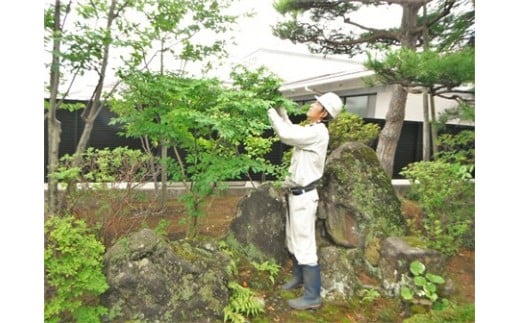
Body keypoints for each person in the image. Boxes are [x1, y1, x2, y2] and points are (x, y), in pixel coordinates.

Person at [267, 92, 343, 310]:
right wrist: (281, 111)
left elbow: (286, 135)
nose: (311, 105)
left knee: (305, 244)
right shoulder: (312, 130)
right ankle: (298, 278)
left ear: (324, 112)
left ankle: (312, 296)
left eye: (316, 103)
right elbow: (292, 129)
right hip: (296, 194)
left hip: (304, 196)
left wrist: (269, 109)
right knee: (293, 239)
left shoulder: (319, 133)